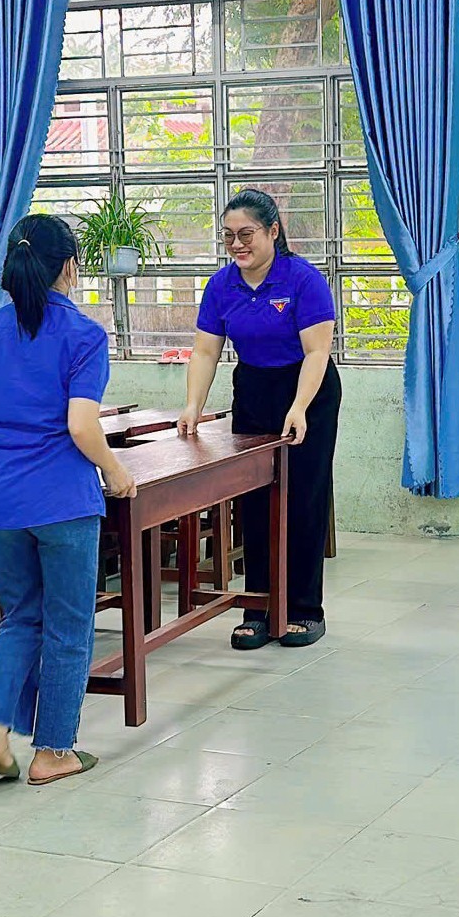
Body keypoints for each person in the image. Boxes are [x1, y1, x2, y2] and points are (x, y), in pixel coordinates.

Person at [0, 214, 137, 786]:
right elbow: (82, 425)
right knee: (70, 625)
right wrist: (116, 468)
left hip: (0, 500)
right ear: (70, 268)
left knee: (19, 617)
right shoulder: (83, 335)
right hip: (63, 501)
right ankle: (53, 750)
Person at [179, 188, 340, 650]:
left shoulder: (302, 280)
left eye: (246, 234)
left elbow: (317, 351)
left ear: (273, 231)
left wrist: (299, 406)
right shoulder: (221, 285)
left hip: (307, 390)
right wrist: (193, 403)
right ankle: (258, 606)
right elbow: (207, 351)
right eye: (228, 237)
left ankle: (305, 608)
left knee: (302, 497)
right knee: (253, 498)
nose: (237, 245)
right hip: (253, 389)